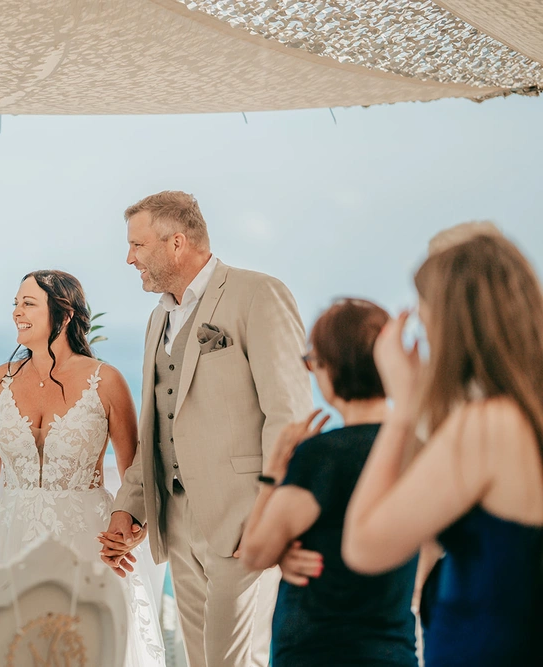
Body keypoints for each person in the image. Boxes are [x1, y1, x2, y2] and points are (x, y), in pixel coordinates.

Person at [99, 191, 313, 666]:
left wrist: (268, 513)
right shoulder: (158, 318)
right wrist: (130, 506)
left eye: (138, 245)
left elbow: (289, 414)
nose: (129, 258)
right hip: (177, 524)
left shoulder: (257, 294)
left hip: (243, 520)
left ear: (176, 243)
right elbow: (157, 427)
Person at [0, 270, 165, 666]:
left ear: (64, 316)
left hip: (88, 541)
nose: (16, 312)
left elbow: (136, 472)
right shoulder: (0, 380)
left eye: (28, 303)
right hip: (13, 539)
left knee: (87, 648)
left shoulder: (106, 381)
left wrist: (136, 531)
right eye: (15, 303)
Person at [343, 234, 543, 665]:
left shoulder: (487, 426)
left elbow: (364, 544)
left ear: (452, 325)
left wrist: (402, 408)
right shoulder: (525, 416)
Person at [239, 299, 418, 666]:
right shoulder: (418, 451)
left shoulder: (323, 456)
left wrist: (273, 473)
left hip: (319, 649)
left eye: (312, 361)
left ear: (331, 367)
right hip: (393, 648)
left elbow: (255, 553)